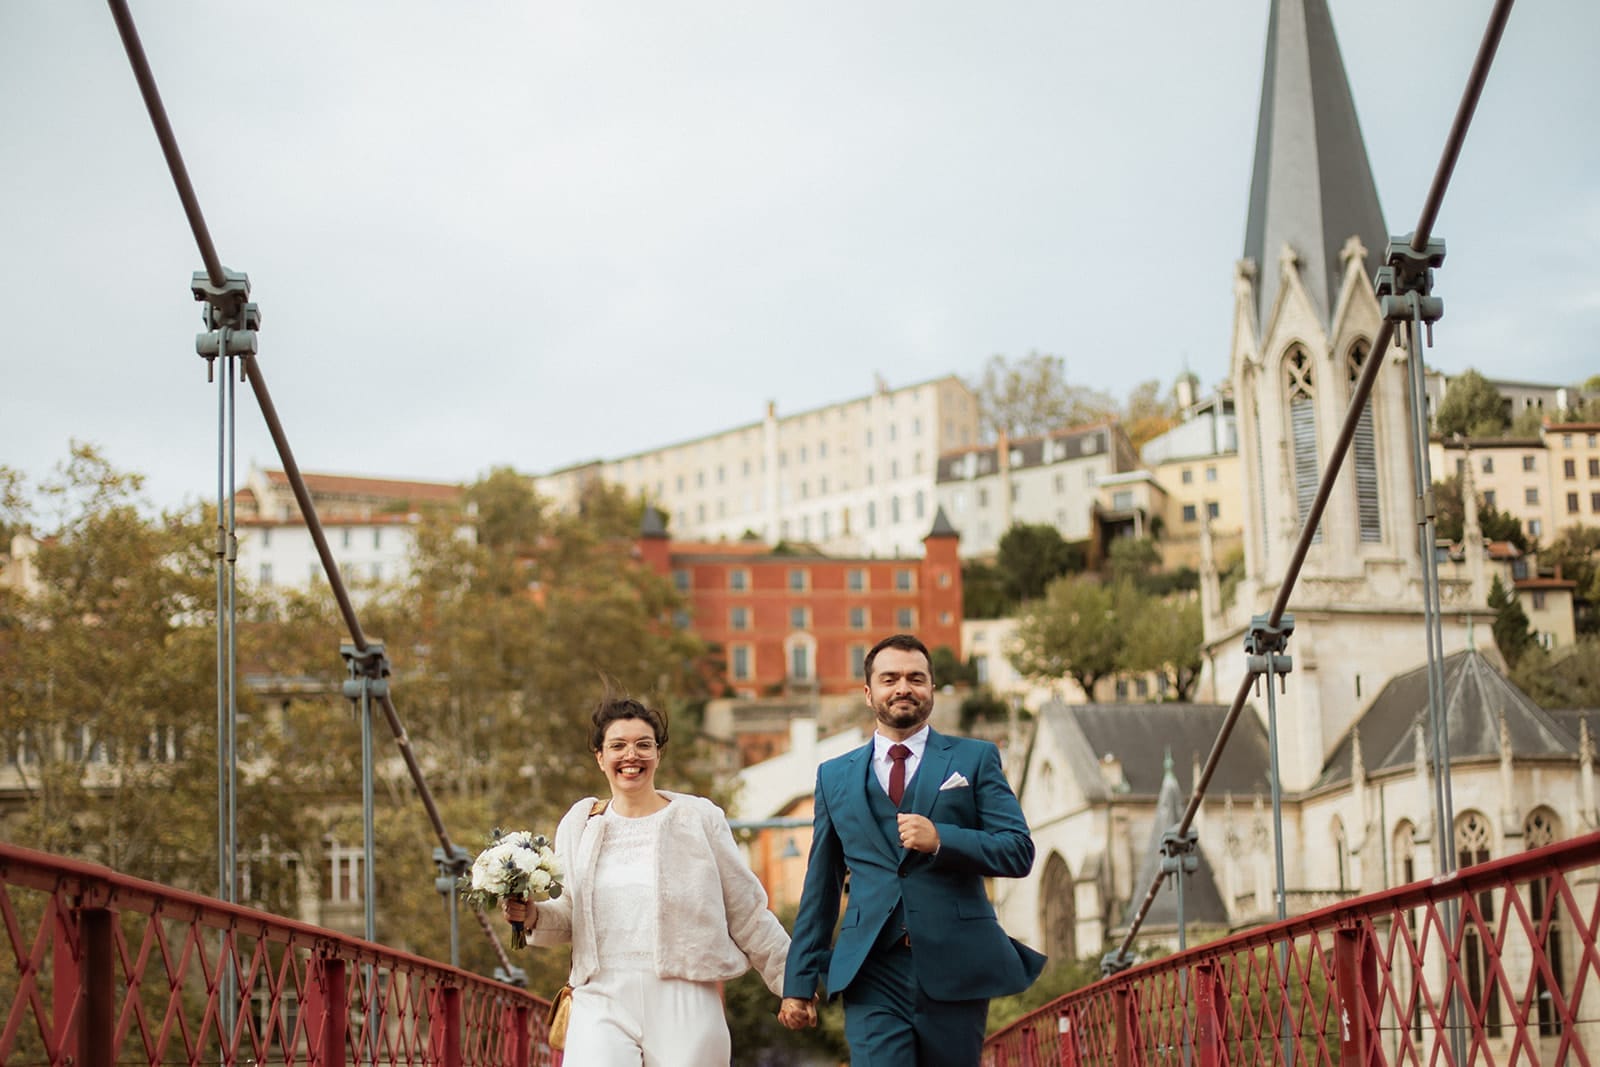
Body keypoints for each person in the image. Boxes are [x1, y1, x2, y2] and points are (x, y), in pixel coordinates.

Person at [778, 633, 1045, 1065]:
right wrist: (798, 982)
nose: (903, 687)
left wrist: (943, 839)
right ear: (869, 694)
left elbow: (1018, 850)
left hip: (956, 962)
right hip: (870, 969)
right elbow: (821, 887)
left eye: (916, 678)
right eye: (890, 678)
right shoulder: (834, 777)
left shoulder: (975, 759)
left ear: (932, 689)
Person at [504, 695, 790, 1066]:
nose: (631, 755)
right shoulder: (580, 823)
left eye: (643, 745)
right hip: (600, 995)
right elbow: (572, 912)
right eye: (618, 746)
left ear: (658, 753)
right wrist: (531, 916)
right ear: (600, 757)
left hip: (685, 995)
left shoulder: (698, 818)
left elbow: (747, 912)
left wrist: (792, 983)